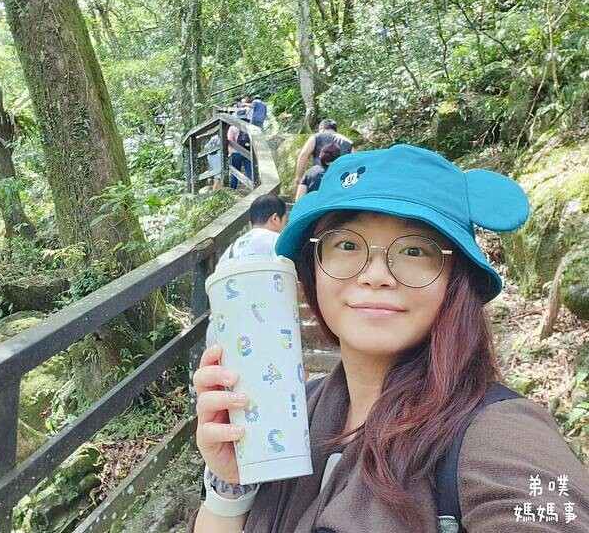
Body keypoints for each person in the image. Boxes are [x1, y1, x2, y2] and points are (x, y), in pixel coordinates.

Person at [190, 144, 589, 532]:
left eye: (415, 250)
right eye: (347, 244)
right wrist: (232, 485)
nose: (376, 274)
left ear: (456, 280)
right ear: (314, 270)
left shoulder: (499, 433)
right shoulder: (297, 411)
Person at [205, 193, 287, 347]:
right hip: (256, 329)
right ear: (275, 218)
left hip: (219, 330)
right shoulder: (277, 241)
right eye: (285, 222)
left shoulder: (229, 251)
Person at [294, 119, 354, 189]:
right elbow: (353, 162)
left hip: (318, 178)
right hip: (340, 180)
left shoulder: (315, 137)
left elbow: (303, 155)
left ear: (322, 128)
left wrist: (299, 177)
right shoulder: (348, 142)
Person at [227, 125, 253, 189]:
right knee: (249, 172)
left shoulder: (232, 127)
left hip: (236, 153)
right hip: (247, 152)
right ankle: (254, 188)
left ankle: (233, 189)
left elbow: (230, 141)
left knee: (235, 172)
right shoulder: (248, 125)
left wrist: (230, 153)